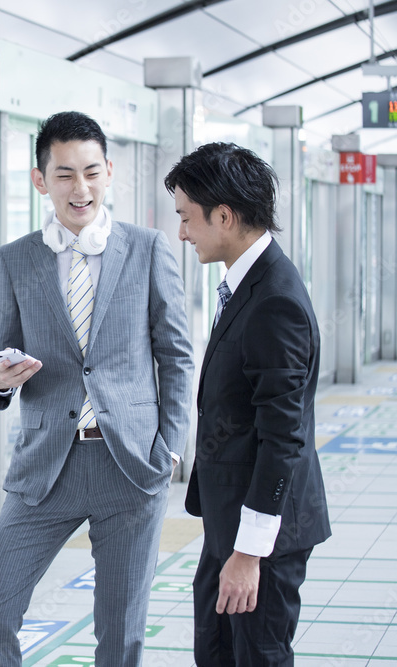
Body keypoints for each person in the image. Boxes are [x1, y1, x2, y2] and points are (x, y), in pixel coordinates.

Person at [0, 111, 194, 666]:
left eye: (91, 172)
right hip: (46, 468)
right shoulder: (15, 260)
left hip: (129, 464)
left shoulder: (147, 250)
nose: (81, 187)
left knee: (119, 634)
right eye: (65, 174)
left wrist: (167, 447)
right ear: (40, 180)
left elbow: (177, 355)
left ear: (110, 172)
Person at [165, 142, 331, 666]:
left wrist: (248, 553)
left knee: (257, 656)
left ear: (224, 216)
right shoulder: (248, 286)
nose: (182, 233)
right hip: (231, 522)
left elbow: (283, 438)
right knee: (216, 652)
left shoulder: (273, 300)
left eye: (187, 218)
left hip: (263, 535)